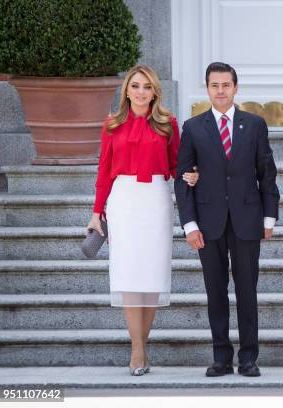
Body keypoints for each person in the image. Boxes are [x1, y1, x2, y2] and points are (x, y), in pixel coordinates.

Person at [87, 64, 199, 376]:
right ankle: (137, 350)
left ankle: (141, 344)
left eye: (146, 87)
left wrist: (191, 175)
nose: (140, 92)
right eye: (134, 86)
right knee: (128, 275)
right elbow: (103, 172)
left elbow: (178, 164)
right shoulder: (111, 124)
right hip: (123, 201)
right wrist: (97, 213)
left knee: (151, 277)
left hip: (156, 200)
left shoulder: (168, 123)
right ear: (127, 91)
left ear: (154, 92)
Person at [174, 62, 280, 377]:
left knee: (247, 290)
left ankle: (249, 358)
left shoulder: (255, 124)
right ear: (207, 89)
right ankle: (221, 357)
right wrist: (189, 224)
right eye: (214, 85)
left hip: (248, 219)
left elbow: (267, 174)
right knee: (215, 291)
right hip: (208, 223)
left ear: (235, 87)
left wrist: (270, 217)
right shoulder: (193, 127)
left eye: (226, 85)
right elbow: (183, 178)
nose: (220, 91)